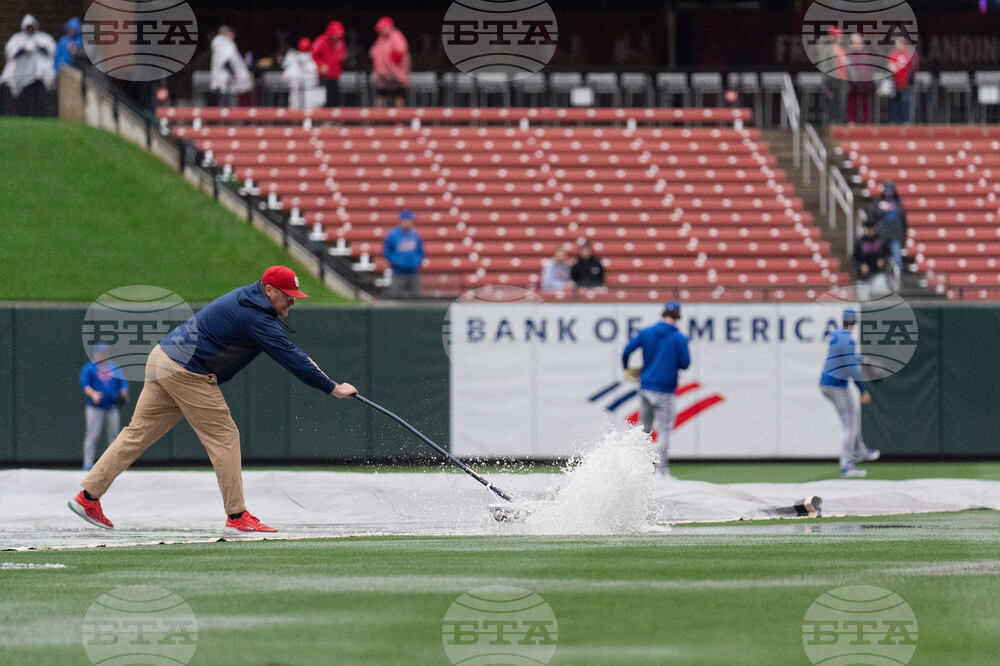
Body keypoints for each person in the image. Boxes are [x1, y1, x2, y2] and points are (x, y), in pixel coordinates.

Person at [68, 266, 359, 533]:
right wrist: (331, 388)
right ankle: (237, 516)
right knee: (224, 436)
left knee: (136, 434)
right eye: (288, 296)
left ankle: (88, 496)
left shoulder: (251, 300)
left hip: (162, 359)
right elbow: (292, 358)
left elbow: (292, 352)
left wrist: (328, 380)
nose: (292, 302)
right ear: (269, 290)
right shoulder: (256, 317)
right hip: (187, 371)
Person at [622, 300, 691, 477]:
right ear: (677, 317)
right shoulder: (679, 337)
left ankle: (637, 468)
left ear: (663, 314)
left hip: (646, 387)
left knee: (643, 430)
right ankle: (661, 471)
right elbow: (685, 364)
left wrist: (626, 368)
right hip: (665, 390)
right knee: (664, 430)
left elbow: (627, 350)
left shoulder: (646, 332)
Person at [820, 308, 879, 478]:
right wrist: (862, 390)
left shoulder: (837, 334)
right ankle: (847, 466)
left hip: (829, 383)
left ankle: (860, 451)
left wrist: (863, 360)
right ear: (854, 322)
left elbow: (845, 358)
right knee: (850, 425)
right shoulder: (848, 340)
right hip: (836, 385)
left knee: (853, 419)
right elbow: (851, 368)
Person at [79, 343, 129, 471]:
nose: (102, 356)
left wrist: (124, 392)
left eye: (104, 354)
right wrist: (92, 393)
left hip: (112, 407)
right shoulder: (89, 367)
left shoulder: (114, 368)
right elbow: (84, 384)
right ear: (96, 354)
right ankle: (88, 464)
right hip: (94, 407)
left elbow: (123, 383)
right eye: (100, 353)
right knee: (92, 434)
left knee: (113, 435)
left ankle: (112, 464)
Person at [1, 15, 56, 117]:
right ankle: (22, 115)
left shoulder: (43, 38)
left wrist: (39, 47)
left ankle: (39, 116)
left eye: (32, 27)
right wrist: (23, 50)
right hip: (21, 75)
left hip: (39, 76)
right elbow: (11, 53)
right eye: (28, 27)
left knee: (39, 98)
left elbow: (52, 52)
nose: (30, 29)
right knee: (22, 99)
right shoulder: (17, 38)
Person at [867, 182, 908, 289]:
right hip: (881, 235)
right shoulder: (877, 203)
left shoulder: (898, 204)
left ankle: (898, 277)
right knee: (879, 256)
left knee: (896, 255)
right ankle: (877, 275)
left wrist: (903, 235)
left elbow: (903, 221)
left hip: (895, 234)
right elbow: (871, 216)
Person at [369, 16, 410, 108]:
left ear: (388, 27)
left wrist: (394, 71)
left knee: (398, 94)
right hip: (383, 74)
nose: (380, 31)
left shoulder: (397, 37)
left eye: (382, 28)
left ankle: (398, 120)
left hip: (395, 73)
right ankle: (378, 120)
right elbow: (373, 53)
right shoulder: (381, 39)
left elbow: (399, 55)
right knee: (381, 94)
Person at [382, 209, 424, 298]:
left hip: (413, 272)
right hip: (398, 272)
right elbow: (386, 252)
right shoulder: (393, 235)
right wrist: (396, 262)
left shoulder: (415, 234)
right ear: (402, 220)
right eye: (409, 220)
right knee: (396, 297)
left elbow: (421, 251)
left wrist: (417, 261)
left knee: (416, 298)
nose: (411, 222)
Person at [210, 25, 252, 107]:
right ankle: (230, 118)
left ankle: (224, 118)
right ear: (228, 33)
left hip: (222, 75)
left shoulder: (217, 43)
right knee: (230, 100)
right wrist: (233, 74)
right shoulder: (225, 43)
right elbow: (226, 60)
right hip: (227, 76)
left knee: (223, 100)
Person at [852, 219, 891, 298]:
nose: (870, 231)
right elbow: (855, 259)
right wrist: (860, 266)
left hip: (877, 273)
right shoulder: (860, 241)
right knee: (863, 299)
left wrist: (883, 260)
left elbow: (887, 254)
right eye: (867, 229)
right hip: (863, 276)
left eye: (871, 229)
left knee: (879, 296)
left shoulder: (881, 240)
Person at [311, 21, 347, 107]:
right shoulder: (320, 41)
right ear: (330, 34)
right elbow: (312, 56)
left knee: (335, 101)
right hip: (321, 79)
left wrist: (344, 58)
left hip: (335, 78)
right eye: (336, 34)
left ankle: (334, 120)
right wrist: (320, 65)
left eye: (340, 35)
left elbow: (343, 54)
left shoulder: (340, 42)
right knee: (322, 102)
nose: (339, 37)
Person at [888, 37, 918, 124]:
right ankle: (895, 120)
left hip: (906, 82)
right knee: (895, 103)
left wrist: (910, 79)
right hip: (895, 82)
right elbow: (890, 65)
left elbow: (913, 67)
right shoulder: (893, 53)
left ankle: (906, 120)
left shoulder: (908, 54)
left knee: (905, 102)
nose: (897, 45)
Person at [822, 26, 848, 125]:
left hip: (842, 80)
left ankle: (840, 124)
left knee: (842, 104)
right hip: (833, 80)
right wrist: (827, 84)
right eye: (838, 35)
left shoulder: (841, 49)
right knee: (833, 104)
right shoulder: (827, 49)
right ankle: (832, 125)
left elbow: (846, 64)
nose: (840, 37)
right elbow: (825, 67)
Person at [846, 33, 874, 124]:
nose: (855, 44)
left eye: (856, 42)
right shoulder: (849, 54)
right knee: (852, 103)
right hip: (853, 82)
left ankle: (866, 122)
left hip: (865, 82)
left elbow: (868, 68)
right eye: (853, 42)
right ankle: (851, 120)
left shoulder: (866, 53)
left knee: (866, 103)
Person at [283, 37, 319, 108]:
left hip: (296, 92)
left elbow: (285, 78)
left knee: (295, 115)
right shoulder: (314, 58)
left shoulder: (292, 56)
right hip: (309, 92)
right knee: (308, 115)